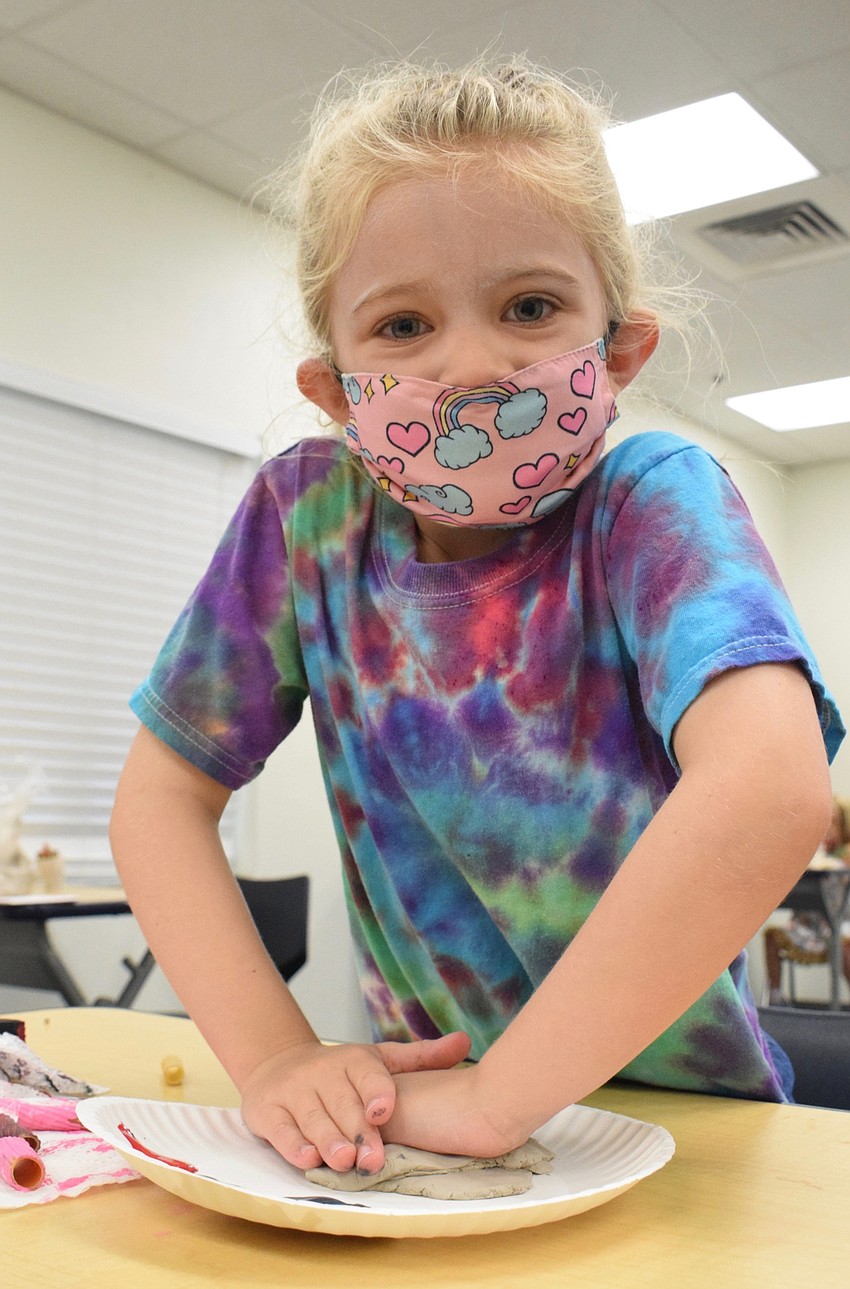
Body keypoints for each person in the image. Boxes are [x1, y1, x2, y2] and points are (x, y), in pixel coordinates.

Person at [110, 57, 844, 1177]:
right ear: (335, 388)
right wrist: (270, 1061)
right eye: (402, 324)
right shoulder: (307, 518)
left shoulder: (651, 503)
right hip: (426, 1137)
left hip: (687, 1127)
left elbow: (771, 786)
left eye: (531, 308)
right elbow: (162, 798)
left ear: (620, 348)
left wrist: (504, 1096)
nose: (469, 366)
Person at [764, 796, 850, 1004]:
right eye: (824, 824)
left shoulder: (845, 855)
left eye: (833, 824)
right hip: (806, 927)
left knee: (847, 945)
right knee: (771, 936)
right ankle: (775, 996)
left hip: (838, 925)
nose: (827, 830)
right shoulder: (808, 856)